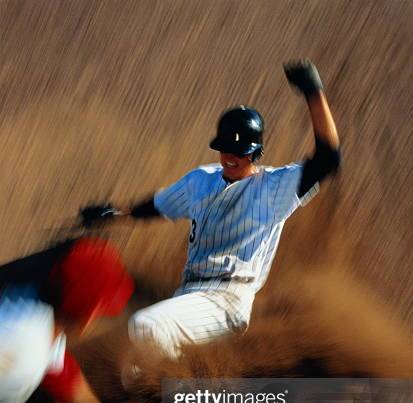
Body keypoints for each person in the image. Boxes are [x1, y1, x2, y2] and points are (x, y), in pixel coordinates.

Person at [81, 59, 341, 361]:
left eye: (240, 152)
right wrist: (113, 213)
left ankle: (181, 396)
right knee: (130, 368)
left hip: (228, 301)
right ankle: (167, 398)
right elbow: (156, 207)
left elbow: (327, 160)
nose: (230, 157)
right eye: (225, 149)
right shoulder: (200, 181)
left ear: (256, 152)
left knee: (146, 326)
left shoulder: (274, 188)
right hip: (189, 298)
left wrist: (313, 91)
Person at [0, 237, 135, 403]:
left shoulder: (38, 305)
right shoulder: (24, 349)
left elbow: (58, 372)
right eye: (100, 313)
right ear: (88, 316)